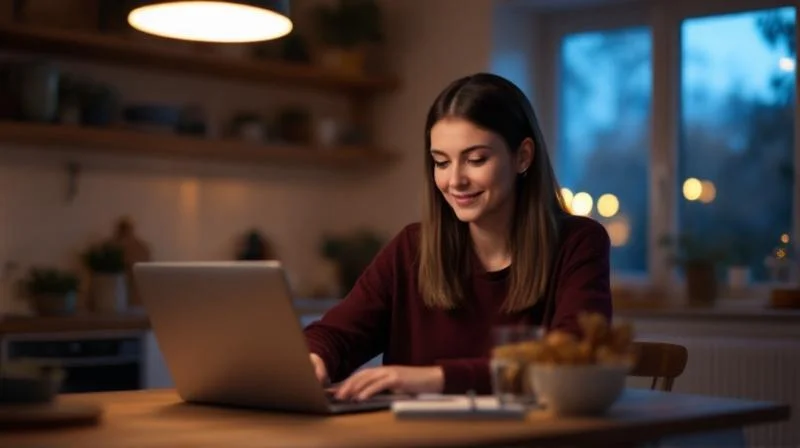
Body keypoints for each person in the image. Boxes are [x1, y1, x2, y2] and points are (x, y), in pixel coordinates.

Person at [303, 72, 612, 401]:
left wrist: (432, 379)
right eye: (441, 162)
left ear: (522, 156)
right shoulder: (412, 248)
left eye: (476, 160)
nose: (455, 181)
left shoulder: (579, 243)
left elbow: (573, 359)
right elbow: (336, 334)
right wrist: (315, 359)